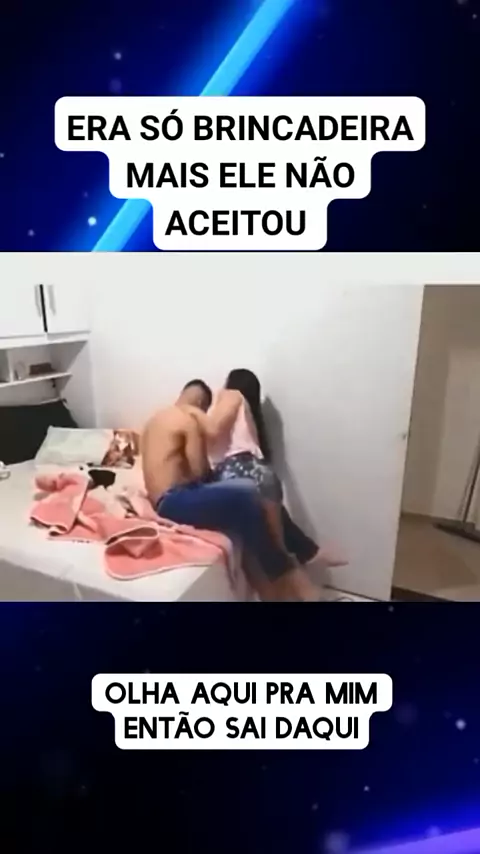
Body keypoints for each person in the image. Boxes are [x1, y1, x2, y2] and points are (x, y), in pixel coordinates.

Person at [141, 378, 322, 601]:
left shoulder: (154, 420)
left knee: (246, 497)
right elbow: (199, 472)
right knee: (246, 495)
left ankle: (277, 579)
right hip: (175, 501)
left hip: (164, 501)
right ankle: (282, 571)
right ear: (200, 404)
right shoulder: (188, 420)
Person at [204, 369, 347, 570]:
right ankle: (308, 552)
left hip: (238, 470)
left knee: (270, 556)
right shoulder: (249, 416)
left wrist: (192, 423)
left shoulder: (230, 395)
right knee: (276, 551)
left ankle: (307, 554)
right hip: (259, 472)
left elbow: (211, 431)